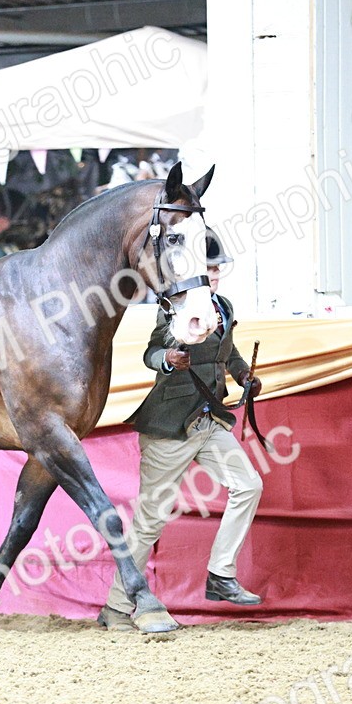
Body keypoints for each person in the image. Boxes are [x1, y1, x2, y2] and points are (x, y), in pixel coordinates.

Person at [98, 228, 265, 632]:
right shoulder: (176, 308)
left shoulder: (221, 306)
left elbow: (230, 352)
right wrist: (169, 360)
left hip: (209, 419)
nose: (213, 275)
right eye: (207, 268)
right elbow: (151, 352)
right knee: (151, 520)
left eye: (217, 268)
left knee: (249, 485)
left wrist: (243, 376)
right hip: (170, 425)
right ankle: (117, 608)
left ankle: (221, 573)